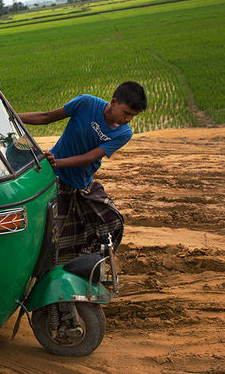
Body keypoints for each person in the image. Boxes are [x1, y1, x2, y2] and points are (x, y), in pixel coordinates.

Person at [18, 81, 147, 261]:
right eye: (126, 113)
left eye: (132, 116)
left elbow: (90, 157)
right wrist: (11, 116)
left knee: (112, 221)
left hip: (81, 184)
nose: (127, 120)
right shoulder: (86, 103)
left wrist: (58, 162)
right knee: (49, 234)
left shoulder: (124, 133)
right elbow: (45, 117)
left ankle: (90, 263)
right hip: (55, 178)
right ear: (114, 101)